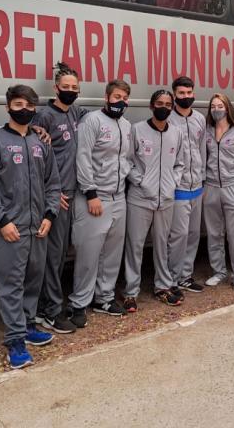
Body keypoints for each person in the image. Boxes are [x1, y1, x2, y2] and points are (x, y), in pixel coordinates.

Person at [0, 85, 61, 369]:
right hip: (10, 228)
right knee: (10, 283)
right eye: (18, 104)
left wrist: (50, 215)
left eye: (29, 105)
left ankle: (27, 326)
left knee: (33, 279)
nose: (24, 109)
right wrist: (1, 220)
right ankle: (14, 341)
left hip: (39, 226)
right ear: (8, 107)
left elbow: (53, 183)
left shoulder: (40, 143)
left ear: (35, 109)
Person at [67, 79, 132, 327]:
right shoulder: (92, 121)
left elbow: (126, 158)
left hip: (119, 197)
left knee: (112, 253)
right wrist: (91, 193)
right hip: (94, 198)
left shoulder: (126, 125)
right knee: (88, 254)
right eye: (116, 97)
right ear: (107, 97)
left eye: (124, 98)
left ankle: (103, 298)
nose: (120, 101)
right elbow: (82, 157)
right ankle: (79, 302)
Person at [33, 62, 87, 335]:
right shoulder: (43, 117)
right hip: (58, 197)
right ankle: (50, 311)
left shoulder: (77, 112)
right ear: (55, 88)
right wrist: (50, 195)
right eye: (65, 87)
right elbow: (36, 160)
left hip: (74, 193)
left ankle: (50, 305)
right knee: (52, 257)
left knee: (62, 254)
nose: (69, 91)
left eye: (74, 88)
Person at [123, 91, 185, 311]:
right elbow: (126, 161)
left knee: (162, 245)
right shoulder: (137, 130)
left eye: (168, 104)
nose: (164, 107)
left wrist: (172, 183)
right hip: (140, 199)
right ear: (151, 106)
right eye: (159, 103)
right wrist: (141, 182)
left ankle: (163, 286)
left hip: (166, 199)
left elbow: (180, 163)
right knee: (135, 246)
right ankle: (131, 292)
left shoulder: (176, 133)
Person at [203, 93, 234, 292]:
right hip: (211, 187)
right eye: (213, 106)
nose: (216, 109)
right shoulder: (206, 132)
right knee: (214, 233)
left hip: (233, 187)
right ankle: (219, 272)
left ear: (227, 108)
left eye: (220, 105)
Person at [168, 76, 207, 294]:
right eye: (181, 93)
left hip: (197, 186)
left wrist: (202, 177)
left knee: (193, 233)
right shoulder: (169, 119)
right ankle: (171, 278)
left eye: (189, 93)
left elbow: (202, 149)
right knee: (178, 236)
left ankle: (185, 275)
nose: (186, 97)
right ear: (175, 95)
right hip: (178, 187)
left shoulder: (199, 119)